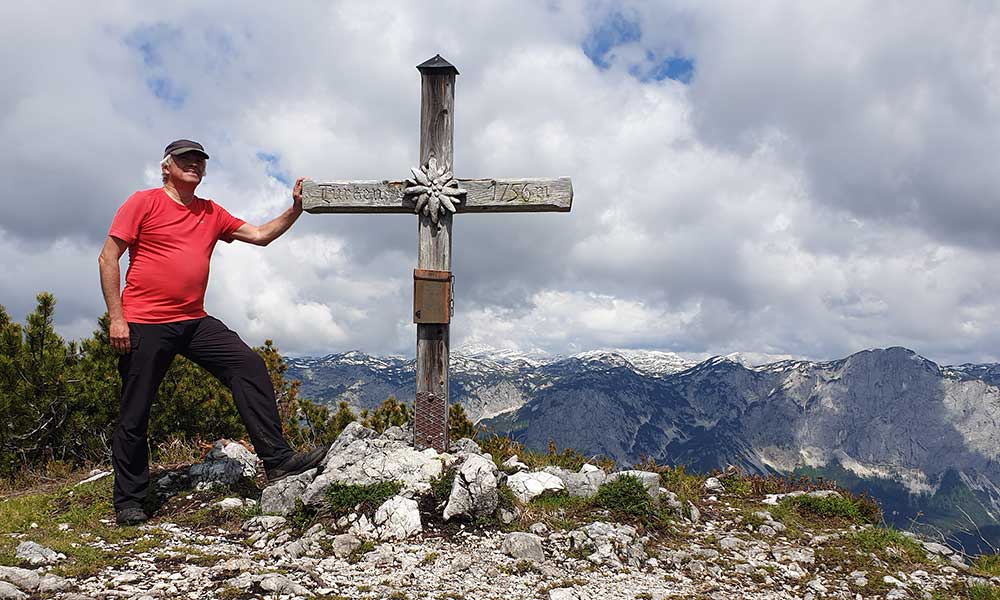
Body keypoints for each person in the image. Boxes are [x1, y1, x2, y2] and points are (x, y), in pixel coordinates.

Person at [98, 139, 326, 526]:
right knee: (135, 411)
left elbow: (260, 235)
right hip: (144, 321)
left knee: (248, 366)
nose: (194, 166)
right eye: (185, 160)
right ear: (166, 167)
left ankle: (278, 461)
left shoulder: (209, 211)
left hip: (193, 319)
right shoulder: (143, 201)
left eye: (199, 161)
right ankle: (129, 501)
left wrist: (296, 209)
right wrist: (116, 319)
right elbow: (108, 257)